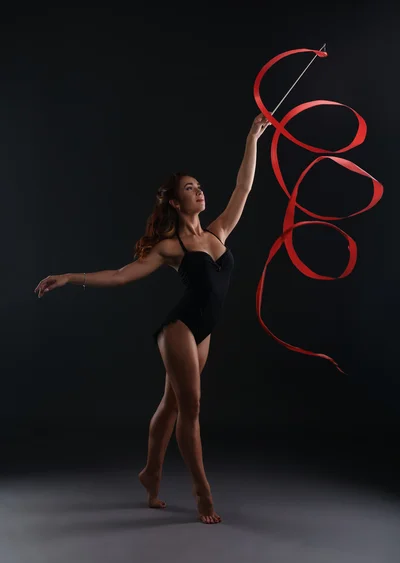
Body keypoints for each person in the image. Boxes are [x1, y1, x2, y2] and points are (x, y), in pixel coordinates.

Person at [34, 113, 270, 524]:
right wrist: (71, 277)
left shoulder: (218, 232)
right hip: (179, 329)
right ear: (176, 203)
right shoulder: (169, 246)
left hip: (204, 331)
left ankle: (151, 472)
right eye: (190, 189)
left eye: (199, 186)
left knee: (172, 404)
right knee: (191, 409)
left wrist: (252, 137)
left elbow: (243, 186)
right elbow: (122, 275)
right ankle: (202, 492)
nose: (200, 191)